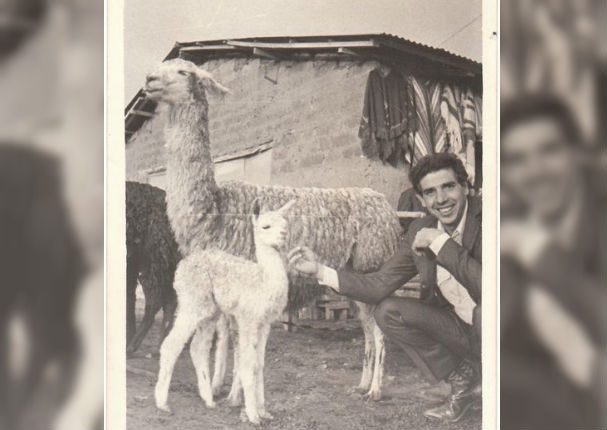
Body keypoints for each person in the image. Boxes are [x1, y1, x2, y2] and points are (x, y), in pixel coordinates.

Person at [289, 153, 482, 423]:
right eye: (430, 192)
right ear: (422, 199)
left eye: (448, 186)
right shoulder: (420, 228)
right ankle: (464, 382)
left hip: (503, 331)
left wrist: (440, 243)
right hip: (461, 329)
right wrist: (320, 270)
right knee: (388, 311)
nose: (440, 200)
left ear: (465, 186)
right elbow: (379, 284)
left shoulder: (492, 218)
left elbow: (494, 290)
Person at [500, 95, 606, 430]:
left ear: (577, 153)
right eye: (517, 159)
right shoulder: (506, 224)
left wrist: (540, 253)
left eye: (550, 150)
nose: (536, 172)